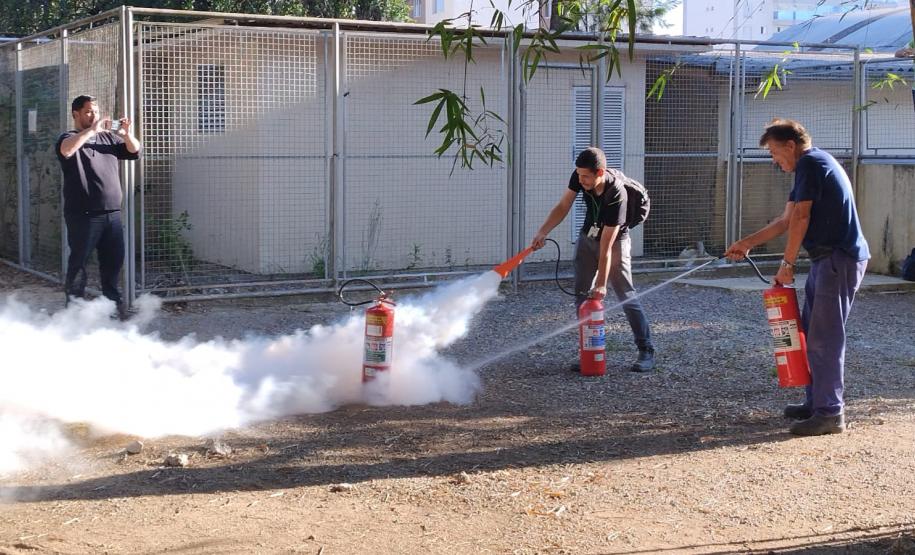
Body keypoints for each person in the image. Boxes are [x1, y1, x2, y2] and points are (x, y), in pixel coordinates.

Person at [725, 119, 869, 437]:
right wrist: (746, 243)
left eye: (776, 153)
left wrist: (787, 263)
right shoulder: (810, 166)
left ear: (791, 145)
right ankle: (816, 403)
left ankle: (830, 413)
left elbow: (802, 217)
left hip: (838, 258)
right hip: (826, 259)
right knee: (809, 332)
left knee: (824, 338)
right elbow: (786, 219)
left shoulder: (811, 163)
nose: (775, 161)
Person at [531, 147, 655, 373]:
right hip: (588, 235)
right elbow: (563, 206)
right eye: (578, 175)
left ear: (600, 173)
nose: (581, 180)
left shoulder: (617, 193)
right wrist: (543, 231)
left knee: (625, 294)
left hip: (615, 242)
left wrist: (601, 283)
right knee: (581, 295)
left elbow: (607, 247)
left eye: (585, 176)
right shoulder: (580, 175)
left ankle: (646, 349)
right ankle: (589, 352)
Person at [56, 95, 142, 319]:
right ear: (75, 114)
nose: (93, 116)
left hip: (112, 215)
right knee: (79, 264)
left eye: (95, 111)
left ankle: (113, 309)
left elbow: (134, 151)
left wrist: (125, 135)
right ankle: (73, 313)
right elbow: (66, 150)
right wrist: (92, 131)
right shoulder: (69, 137)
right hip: (83, 216)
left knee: (113, 264)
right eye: (88, 112)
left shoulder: (109, 139)